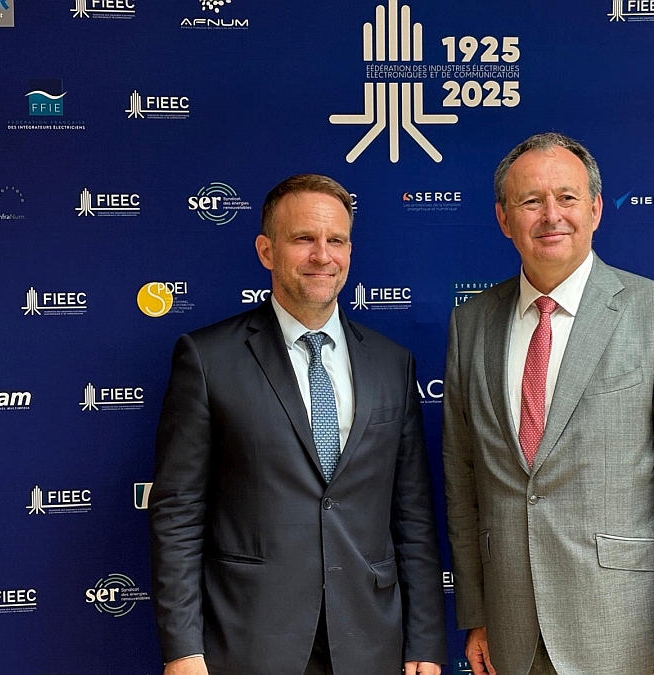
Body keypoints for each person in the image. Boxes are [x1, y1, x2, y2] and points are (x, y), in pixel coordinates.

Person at [442, 133, 654, 675]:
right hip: (510, 631)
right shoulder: (471, 323)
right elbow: (463, 481)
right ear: (504, 219)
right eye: (531, 201)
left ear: (595, 209)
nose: (551, 216)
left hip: (625, 631)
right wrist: (476, 613)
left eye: (567, 198)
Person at [149, 174, 446, 675]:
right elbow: (178, 512)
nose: (322, 256)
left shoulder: (393, 364)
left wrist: (425, 642)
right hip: (248, 639)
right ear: (266, 251)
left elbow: (412, 514)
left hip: (370, 641)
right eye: (304, 238)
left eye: (336, 240)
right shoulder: (207, 358)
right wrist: (182, 649)